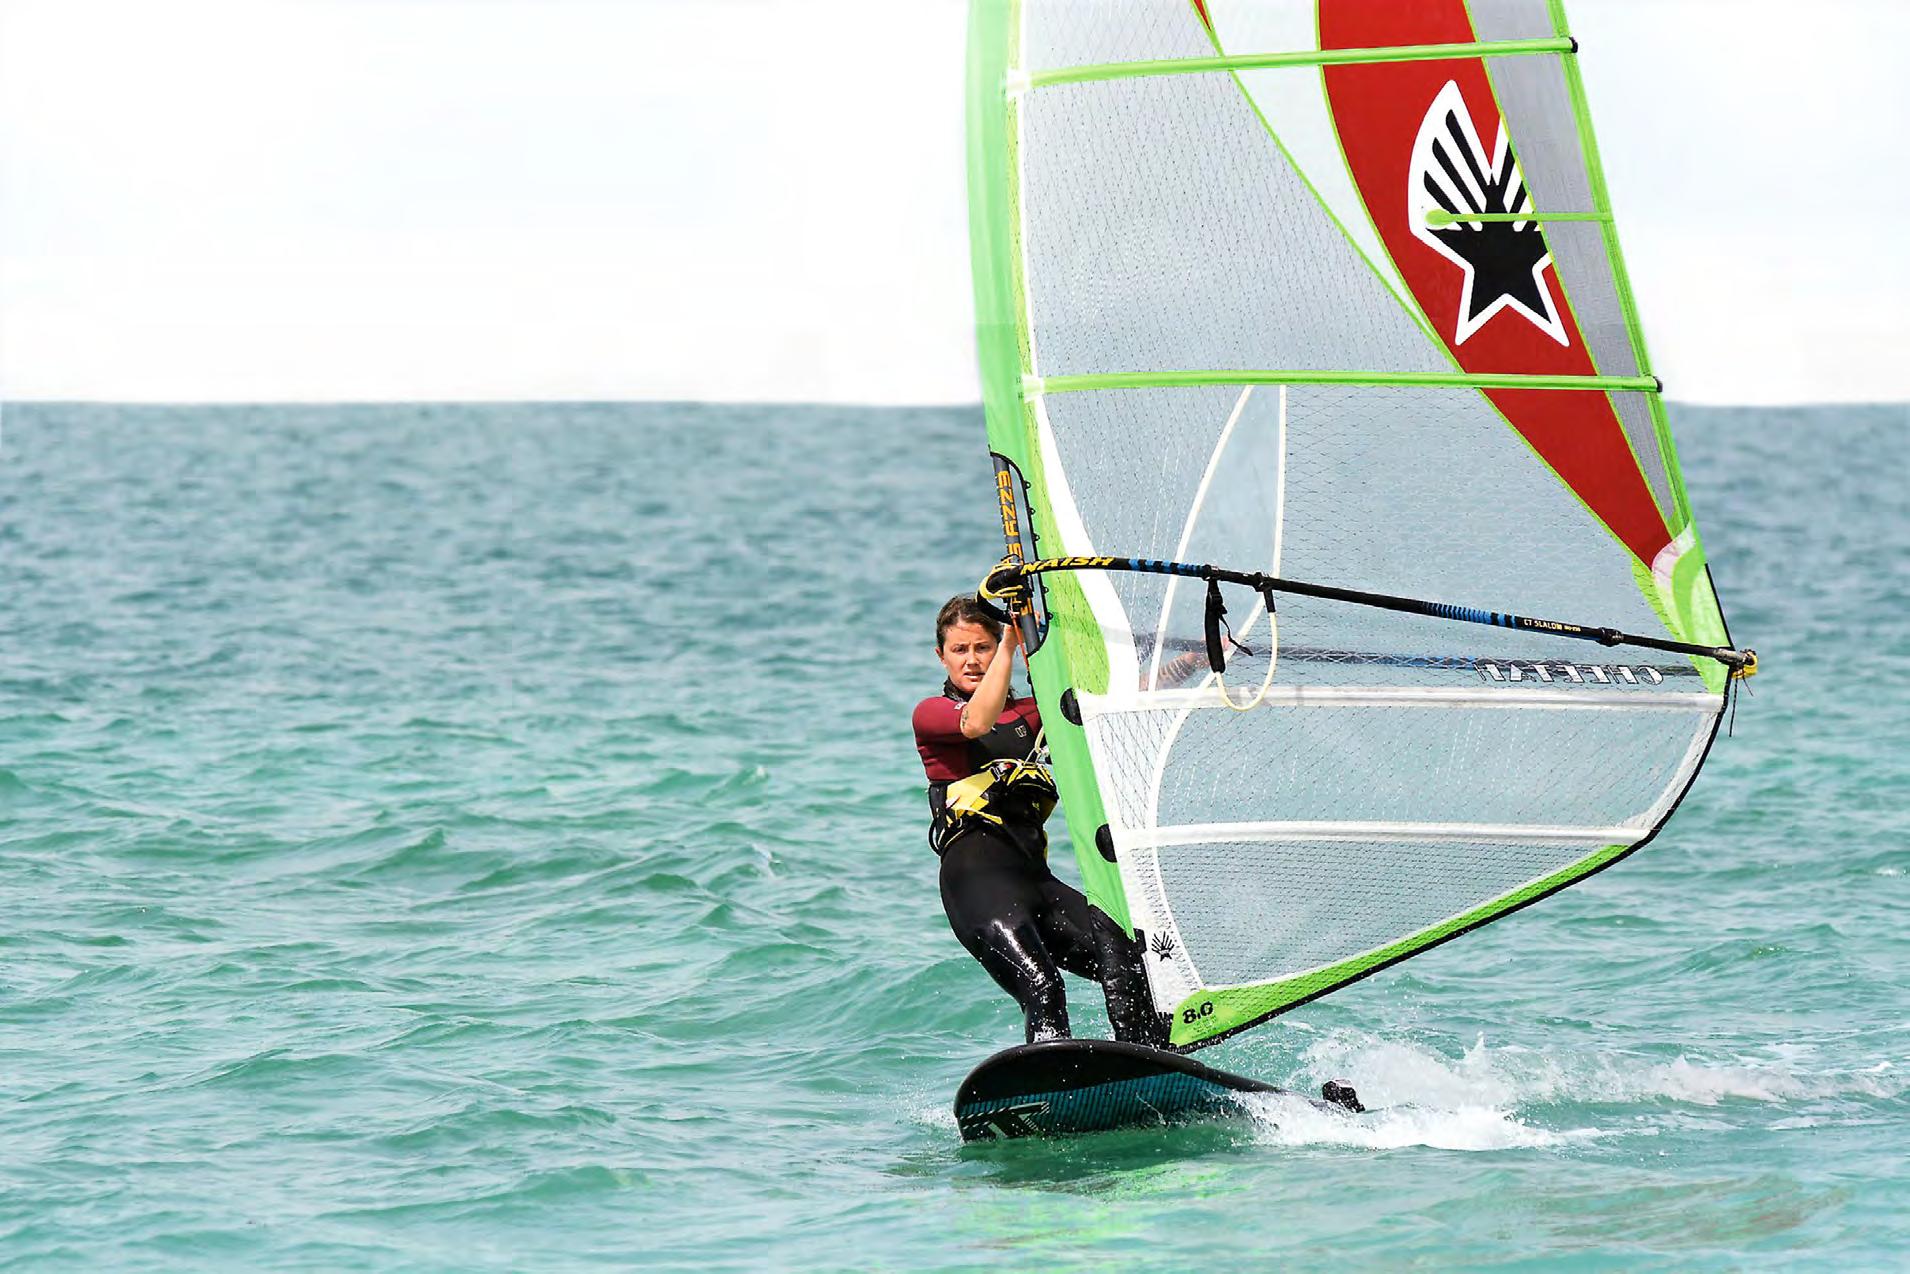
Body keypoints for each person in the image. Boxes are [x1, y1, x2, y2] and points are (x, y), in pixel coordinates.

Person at [913, 594, 1165, 1046]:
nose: (972, 660)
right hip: (977, 886)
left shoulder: (1034, 714)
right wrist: (1011, 644)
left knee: (1130, 963)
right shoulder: (932, 713)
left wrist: (1195, 661)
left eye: (983, 647)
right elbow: (975, 723)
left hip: (1037, 882)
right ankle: (1054, 1083)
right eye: (959, 649)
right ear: (941, 655)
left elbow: (1117, 698)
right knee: (1043, 987)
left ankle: (1149, 1061)